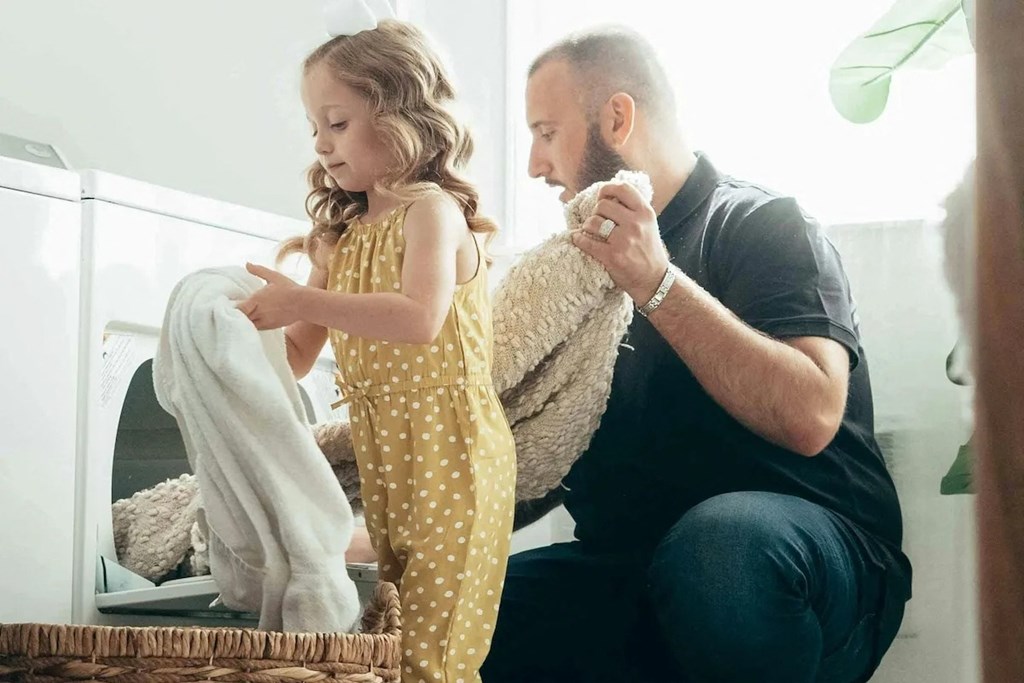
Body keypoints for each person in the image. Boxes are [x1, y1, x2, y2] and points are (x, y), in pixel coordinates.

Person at [479, 26, 912, 683]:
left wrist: (657, 286)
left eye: (546, 132)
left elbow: (812, 413)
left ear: (617, 118)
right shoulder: (574, 279)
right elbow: (546, 466)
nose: (536, 165)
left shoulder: (762, 223)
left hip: (801, 571)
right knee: (471, 616)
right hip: (635, 573)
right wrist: (393, 537)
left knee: (718, 550)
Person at [236, 19, 516, 683]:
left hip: (457, 455)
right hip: (389, 460)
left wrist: (302, 301)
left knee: (433, 658)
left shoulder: (433, 212)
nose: (321, 143)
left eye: (336, 121)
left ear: (397, 116)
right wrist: (239, 335)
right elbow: (300, 355)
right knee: (392, 643)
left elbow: (420, 319)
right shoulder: (341, 238)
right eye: (314, 127)